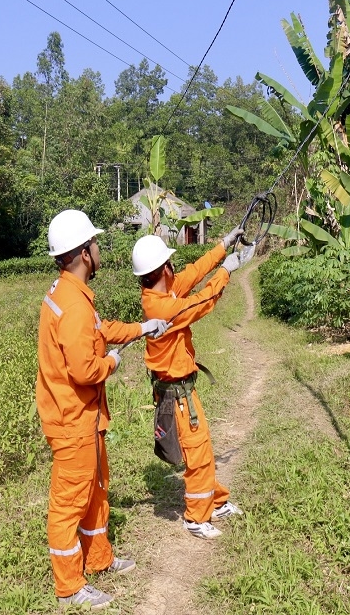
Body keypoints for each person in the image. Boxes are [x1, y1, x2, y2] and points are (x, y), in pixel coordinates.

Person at [37, 209, 170, 610]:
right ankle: (69, 588)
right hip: (72, 421)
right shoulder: (73, 306)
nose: (99, 249)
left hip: (85, 420)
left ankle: (98, 559)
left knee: (95, 492)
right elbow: (84, 370)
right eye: (94, 244)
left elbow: (102, 330)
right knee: (68, 505)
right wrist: (112, 363)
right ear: (83, 253)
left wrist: (143, 328)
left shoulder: (71, 296)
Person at [131, 227, 253, 539]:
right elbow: (202, 301)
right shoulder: (161, 307)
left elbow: (194, 272)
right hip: (176, 394)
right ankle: (196, 517)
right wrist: (226, 271)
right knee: (196, 452)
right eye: (169, 263)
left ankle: (215, 501)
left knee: (203, 447)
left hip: (184, 388)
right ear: (162, 269)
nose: (175, 268)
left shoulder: (164, 291)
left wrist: (222, 247)